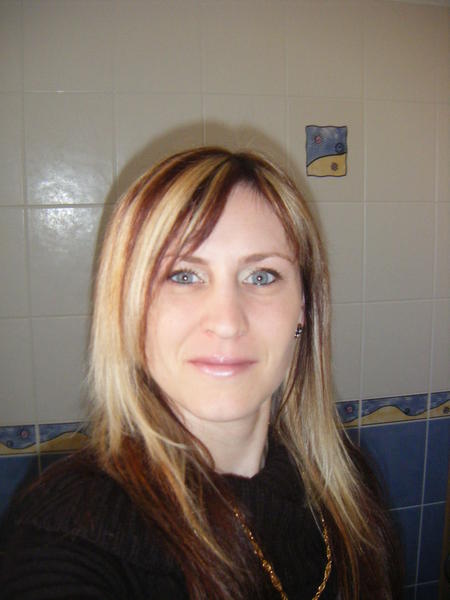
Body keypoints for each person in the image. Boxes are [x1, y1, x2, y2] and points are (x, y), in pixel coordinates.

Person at [0, 147, 400, 599]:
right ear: (129, 308)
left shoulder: (350, 487)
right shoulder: (69, 533)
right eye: (184, 276)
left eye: (261, 276)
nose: (227, 322)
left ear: (303, 307)